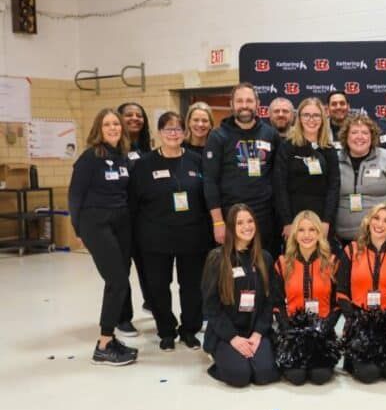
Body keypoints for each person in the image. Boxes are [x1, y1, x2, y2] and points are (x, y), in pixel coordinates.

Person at [130, 112, 211, 351]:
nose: (173, 134)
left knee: (191, 286)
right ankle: (166, 330)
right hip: (156, 237)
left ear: (185, 133)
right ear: (159, 133)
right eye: (168, 129)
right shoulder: (144, 164)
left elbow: (207, 198)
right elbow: (134, 202)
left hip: (192, 236)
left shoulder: (197, 161)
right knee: (158, 286)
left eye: (178, 129)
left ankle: (189, 330)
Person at [68, 108, 137, 366]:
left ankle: (110, 338)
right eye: (108, 124)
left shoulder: (123, 157)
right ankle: (104, 343)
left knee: (121, 278)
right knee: (117, 281)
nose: (113, 128)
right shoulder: (89, 158)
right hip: (95, 222)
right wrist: (78, 229)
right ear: (99, 128)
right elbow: (75, 197)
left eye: (116, 124)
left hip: (120, 221)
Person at [202, 204, 281, 387]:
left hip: (254, 330)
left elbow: (270, 302)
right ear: (231, 227)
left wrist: (258, 334)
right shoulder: (217, 259)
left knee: (264, 374)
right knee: (240, 376)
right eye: (240, 223)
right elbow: (211, 306)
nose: (247, 226)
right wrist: (233, 338)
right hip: (227, 333)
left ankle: (250, 354)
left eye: (250, 221)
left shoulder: (265, 258)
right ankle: (219, 355)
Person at [336, 204, 386, 383]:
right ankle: (351, 357)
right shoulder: (351, 250)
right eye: (376, 218)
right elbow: (341, 292)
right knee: (368, 374)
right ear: (368, 220)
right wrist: (356, 318)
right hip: (359, 323)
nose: (380, 224)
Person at [204, 83, 281, 253]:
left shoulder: (270, 135)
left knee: (264, 270)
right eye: (239, 101)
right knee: (233, 273)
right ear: (231, 104)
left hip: (264, 218)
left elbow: (278, 179)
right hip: (231, 217)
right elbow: (210, 182)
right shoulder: (218, 136)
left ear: (257, 103)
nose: (244, 105)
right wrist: (218, 222)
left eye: (249, 101)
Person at [275, 210, 339, 385]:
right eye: (301, 230)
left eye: (312, 230)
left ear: (319, 234)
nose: (307, 235)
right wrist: (286, 328)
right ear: (294, 234)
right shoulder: (282, 263)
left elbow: (337, 303)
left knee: (320, 376)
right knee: (296, 377)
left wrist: (326, 326)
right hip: (293, 332)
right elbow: (277, 302)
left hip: (321, 331)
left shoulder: (332, 262)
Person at [335, 114, 386, 246]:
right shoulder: (335, 161)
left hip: (383, 238)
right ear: (346, 136)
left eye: (365, 132)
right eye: (354, 132)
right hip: (343, 239)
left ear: (372, 136)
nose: (359, 137)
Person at [275, 97, 340, 242]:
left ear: (323, 119)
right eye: (306, 115)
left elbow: (333, 188)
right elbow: (280, 187)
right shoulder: (287, 147)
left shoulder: (329, 150)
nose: (312, 119)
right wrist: (287, 221)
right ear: (299, 118)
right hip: (294, 216)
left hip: (321, 218)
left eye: (316, 115)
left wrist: (326, 221)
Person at [117, 101, 152, 330]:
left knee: (149, 266)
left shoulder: (145, 149)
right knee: (120, 271)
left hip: (144, 220)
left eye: (139, 115)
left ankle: (153, 303)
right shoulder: (111, 149)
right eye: (128, 115)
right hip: (119, 220)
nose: (134, 118)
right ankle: (122, 318)